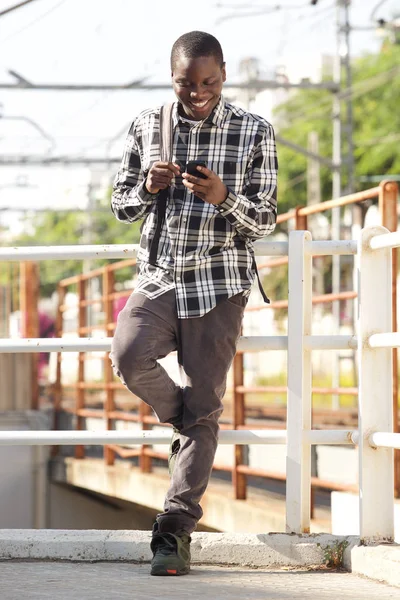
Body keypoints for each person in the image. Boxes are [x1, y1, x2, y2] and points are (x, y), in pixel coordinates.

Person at [110, 30, 278, 576]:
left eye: (207, 82)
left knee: (207, 404)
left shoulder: (254, 132)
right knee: (129, 355)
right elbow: (120, 205)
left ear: (224, 73)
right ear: (173, 78)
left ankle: (173, 532)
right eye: (186, 84)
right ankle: (186, 418)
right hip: (160, 279)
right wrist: (147, 190)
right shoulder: (146, 126)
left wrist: (223, 197)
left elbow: (267, 218)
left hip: (219, 284)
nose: (197, 93)